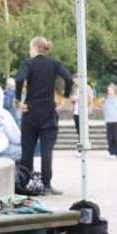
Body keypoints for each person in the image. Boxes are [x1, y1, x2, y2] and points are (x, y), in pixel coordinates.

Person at [15, 36, 72, 195]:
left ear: (34, 48)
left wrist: (18, 99)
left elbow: (20, 79)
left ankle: (25, 184)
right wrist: (65, 99)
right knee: (47, 151)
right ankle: (46, 185)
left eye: (30, 48)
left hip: (31, 110)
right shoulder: (55, 64)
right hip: (48, 111)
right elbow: (68, 79)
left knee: (28, 149)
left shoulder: (27, 63)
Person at [103, 84, 117, 158]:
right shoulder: (106, 101)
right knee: (110, 137)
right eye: (108, 90)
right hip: (109, 121)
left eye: (111, 90)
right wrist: (105, 121)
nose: (109, 91)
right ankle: (112, 152)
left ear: (114, 90)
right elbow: (105, 111)